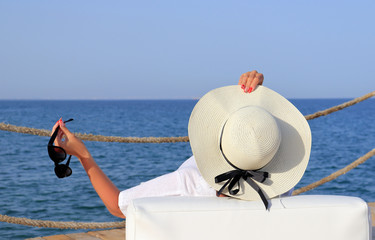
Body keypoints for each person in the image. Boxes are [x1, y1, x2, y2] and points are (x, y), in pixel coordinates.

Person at [51, 70, 311, 219]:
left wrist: (84, 155)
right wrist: (258, 114)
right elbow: (257, 140)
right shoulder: (278, 188)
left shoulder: (190, 182)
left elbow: (117, 205)